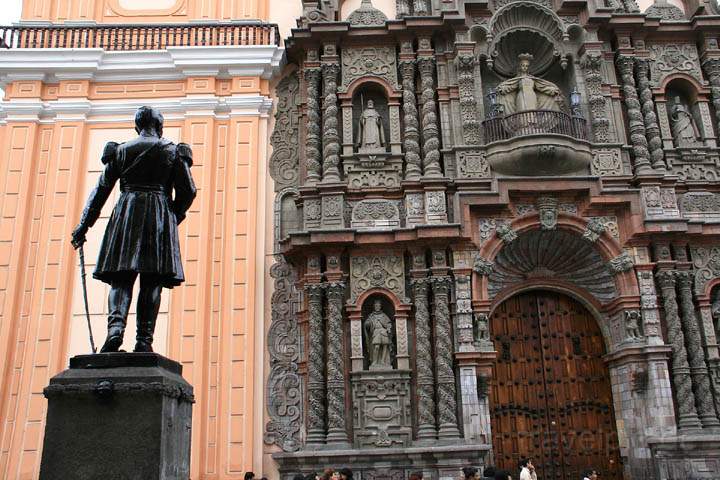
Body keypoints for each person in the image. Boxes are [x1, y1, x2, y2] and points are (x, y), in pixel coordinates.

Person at [71, 106, 196, 353]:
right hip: (159, 214)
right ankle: (144, 340)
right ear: (160, 127)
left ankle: (115, 330)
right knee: (152, 281)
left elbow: (100, 191)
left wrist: (83, 225)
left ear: (137, 127)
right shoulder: (172, 151)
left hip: (126, 213)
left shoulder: (119, 151)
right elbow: (188, 191)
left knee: (120, 277)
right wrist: (174, 214)